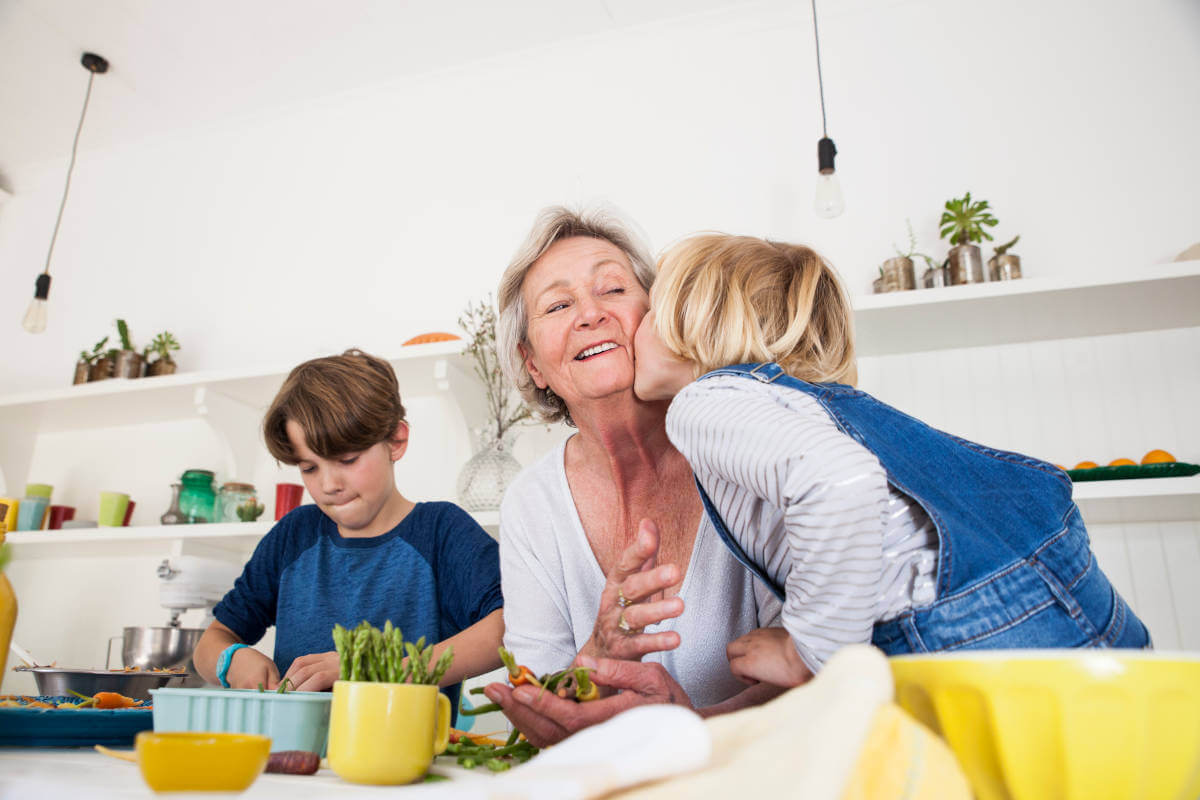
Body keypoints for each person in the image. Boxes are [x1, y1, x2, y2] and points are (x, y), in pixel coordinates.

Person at [630, 233, 1151, 688]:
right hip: (1077, 585)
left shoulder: (704, 399)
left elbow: (840, 480)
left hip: (968, 625)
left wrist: (808, 650)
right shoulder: (819, 402)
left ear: (692, 322)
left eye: (651, 309)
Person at [482, 208, 784, 746]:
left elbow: (820, 665)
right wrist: (593, 659)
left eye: (613, 289)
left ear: (654, 313)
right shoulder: (531, 503)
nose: (590, 314)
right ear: (532, 364)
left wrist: (692, 731)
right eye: (557, 305)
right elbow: (540, 705)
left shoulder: (744, 456)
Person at [193, 349, 505, 718]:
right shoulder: (294, 535)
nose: (328, 484)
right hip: (295, 761)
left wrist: (380, 671)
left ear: (396, 441)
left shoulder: (441, 531)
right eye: (309, 467)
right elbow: (209, 645)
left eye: (347, 460)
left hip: (402, 761)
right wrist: (232, 659)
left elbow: (510, 627)